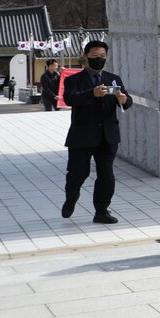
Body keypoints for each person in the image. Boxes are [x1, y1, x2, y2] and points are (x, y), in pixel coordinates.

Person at [61, 40, 132, 224]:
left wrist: (123, 99)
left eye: (102, 57)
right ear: (85, 56)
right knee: (78, 174)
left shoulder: (113, 78)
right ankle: (71, 199)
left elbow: (127, 101)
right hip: (82, 136)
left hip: (108, 137)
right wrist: (92, 93)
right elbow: (69, 99)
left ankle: (101, 211)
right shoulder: (73, 80)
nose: (99, 60)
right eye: (94, 57)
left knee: (106, 176)